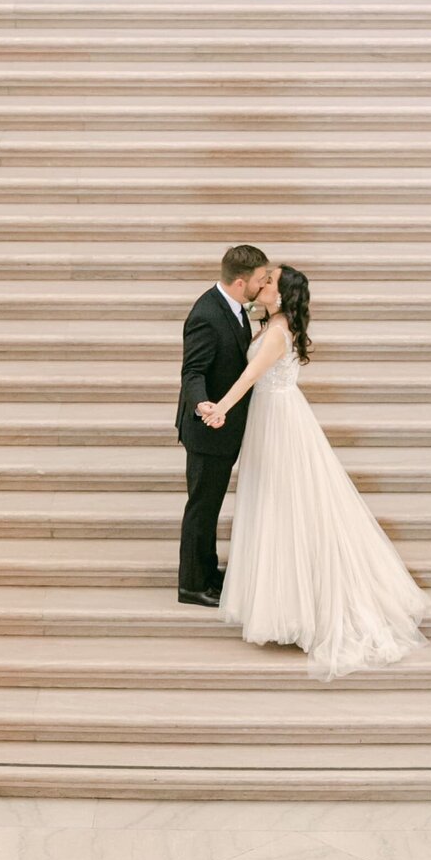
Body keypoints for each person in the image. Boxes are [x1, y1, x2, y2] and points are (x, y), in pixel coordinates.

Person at [197, 264, 428, 679]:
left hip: (281, 424)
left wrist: (220, 410)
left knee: (286, 503)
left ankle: (297, 605)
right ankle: (284, 599)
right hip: (275, 417)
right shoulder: (273, 325)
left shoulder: (278, 332)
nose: (262, 284)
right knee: (277, 503)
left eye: (269, 282)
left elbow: (251, 377)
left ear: (282, 295)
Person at [175, 244, 273, 605]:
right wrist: (202, 403)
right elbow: (193, 371)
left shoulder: (234, 306)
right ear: (239, 282)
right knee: (202, 507)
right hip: (208, 431)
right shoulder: (206, 315)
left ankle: (207, 571)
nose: (263, 286)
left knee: (210, 505)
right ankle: (192, 585)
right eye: (260, 280)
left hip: (225, 427)